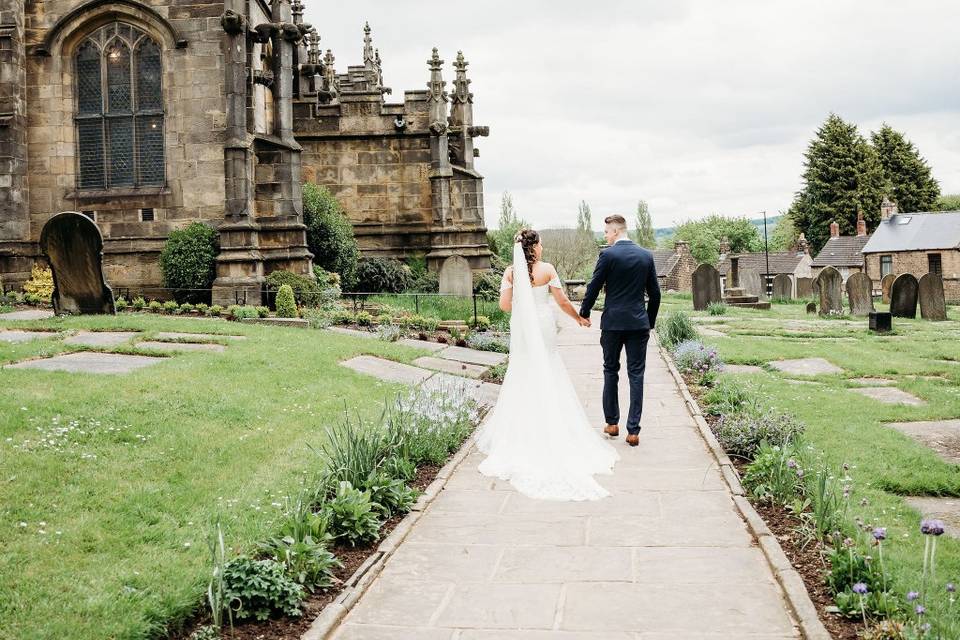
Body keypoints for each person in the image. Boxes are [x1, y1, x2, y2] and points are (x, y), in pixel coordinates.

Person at [474, 229, 619, 501]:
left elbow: (505, 306)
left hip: (522, 328)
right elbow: (562, 300)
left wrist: (522, 302)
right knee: (549, 368)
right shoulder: (548, 269)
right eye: (540, 244)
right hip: (542, 324)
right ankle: (553, 422)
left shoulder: (510, 272)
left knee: (522, 370)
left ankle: (521, 431)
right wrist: (579, 318)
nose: (542, 248)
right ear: (535, 246)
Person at [579, 214, 661, 447]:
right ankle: (633, 431)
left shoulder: (608, 255)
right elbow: (655, 294)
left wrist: (584, 312)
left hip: (613, 324)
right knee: (636, 375)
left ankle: (612, 423)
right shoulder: (646, 256)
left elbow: (594, 286)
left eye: (606, 232)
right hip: (638, 323)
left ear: (615, 231)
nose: (605, 236)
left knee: (610, 371)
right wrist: (649, 321)